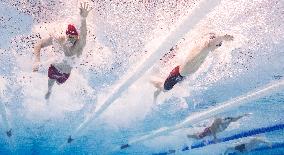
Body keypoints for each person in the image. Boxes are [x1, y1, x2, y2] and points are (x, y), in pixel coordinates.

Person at [32, 2, 93, 100]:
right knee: (51, 80)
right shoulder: (59, 40)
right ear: (66, 36)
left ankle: (52, 88)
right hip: (55, 68)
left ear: (77, 37)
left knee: (59, 83)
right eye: (70, 37)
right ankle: (49, 91)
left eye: (74, 37)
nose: (71, 40)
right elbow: (38, 44)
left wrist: (83, 18)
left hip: (66, 74)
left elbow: (84, 34)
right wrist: (37, 60)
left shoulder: (79, 46)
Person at [151, 33, 234, 103]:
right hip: (179, 74)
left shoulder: (204, 48)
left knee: (172, 87)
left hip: (183, 74)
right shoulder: (205, 48)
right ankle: (148, 79)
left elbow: (211, 43)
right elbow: (210, 44)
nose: (218, 46)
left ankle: (157, 84)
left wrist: (221, 40)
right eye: (219, 45)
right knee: (164, 89)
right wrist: (222, 37)